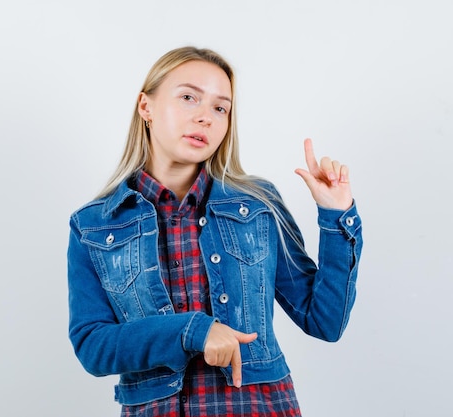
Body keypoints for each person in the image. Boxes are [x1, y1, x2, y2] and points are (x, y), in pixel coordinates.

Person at [67, 46, 363, 417]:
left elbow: (325, 321)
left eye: (220, 108)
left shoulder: (258, 204)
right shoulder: (94, 225)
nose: (205, 117)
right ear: (146, 107)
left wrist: (336, 216)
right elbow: (92, 345)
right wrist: (193, 331)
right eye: (189, 97)